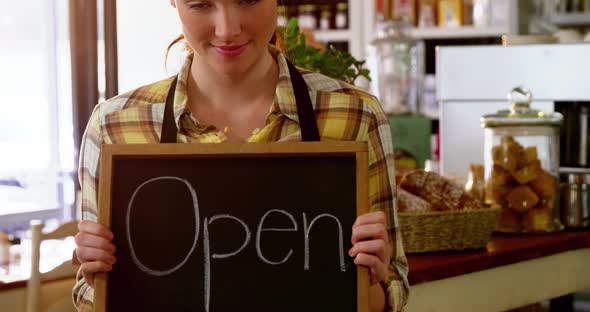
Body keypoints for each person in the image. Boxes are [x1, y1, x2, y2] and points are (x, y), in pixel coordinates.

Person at [72, 0, 409, 311]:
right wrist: (99, 277)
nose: (227, 29)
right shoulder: (114, 126)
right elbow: (91, 298)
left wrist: (371, 280)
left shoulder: (355, 116)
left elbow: (390, 287)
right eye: (202, 4)